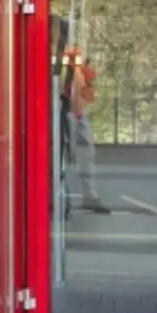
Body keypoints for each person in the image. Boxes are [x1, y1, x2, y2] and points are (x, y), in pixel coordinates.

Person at [64, 47, 110, 214]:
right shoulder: (69, 64)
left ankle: (88, 195)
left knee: (85, 152)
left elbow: (84, 93)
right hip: (68, 110)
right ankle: (66, 195)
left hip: (76, 111)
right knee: (68, 153)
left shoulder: (81, 69)